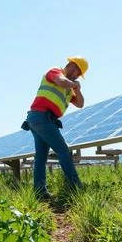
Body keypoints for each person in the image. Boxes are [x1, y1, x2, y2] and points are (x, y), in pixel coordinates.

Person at [23, 56, 88, 200]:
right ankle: (75, 185)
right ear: (72, 66)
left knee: (41, 157)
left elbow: (80, 103)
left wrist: (77, 89)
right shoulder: (56, 71)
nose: (77, 76)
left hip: (40, 119)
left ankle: (40, 192)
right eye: (78, 72)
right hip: (41, 117)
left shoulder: (70, 88)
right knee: (63, 150)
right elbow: (61, 81)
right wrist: (73, 84)